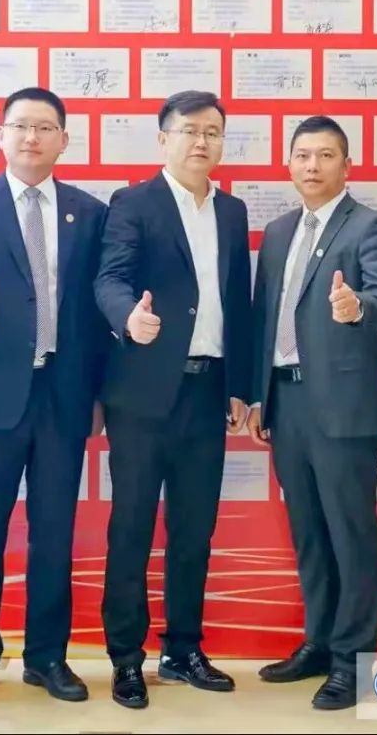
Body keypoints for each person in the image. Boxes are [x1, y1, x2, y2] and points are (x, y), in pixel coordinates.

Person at [0, 87, 109, 708]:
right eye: (21, 126)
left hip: (63, 393)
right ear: (1, 135)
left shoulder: (90, 212)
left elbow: (98, 307)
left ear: (64, 139)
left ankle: (47, 657)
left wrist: (100, 394)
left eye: (45, 128)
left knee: (54, 534)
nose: (32, 137)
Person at [94, 90, 252, 709]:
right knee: (132, 527)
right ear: (164, 139)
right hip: (143, 392)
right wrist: (127, 319)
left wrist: (239, 385)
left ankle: (183, 648)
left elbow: (238, 302)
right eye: (189, 130)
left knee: (194, 530)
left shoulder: (232, 211)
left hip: (208, 390)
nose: (201, 141)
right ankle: (126, 658)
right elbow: (110, 278)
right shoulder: (134, 203)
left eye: (212, 131)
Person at [248, 115, 377, 710]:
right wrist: (258, 396)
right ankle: (318, 642)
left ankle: (353, 660)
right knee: (309, 533)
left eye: (326, 155)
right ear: (289, 163)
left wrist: (356, 306)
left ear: (347, 164)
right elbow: (265, 318)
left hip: (343, 407)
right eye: (303, 155)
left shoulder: (368, 225)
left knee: (350, 534)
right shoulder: (279, 231)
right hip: (286, 402)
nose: (313, 166)